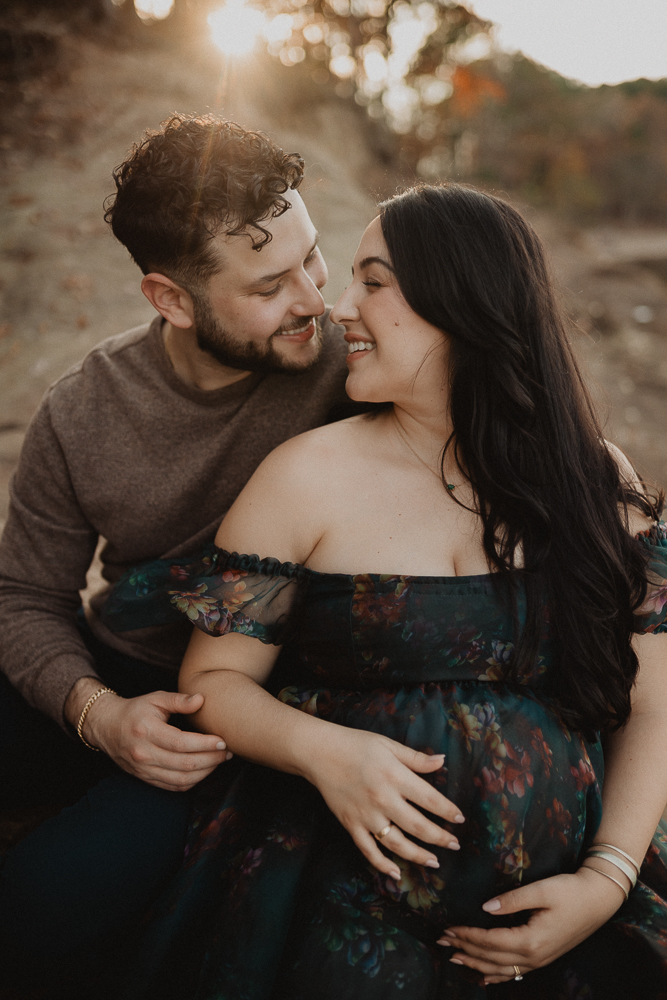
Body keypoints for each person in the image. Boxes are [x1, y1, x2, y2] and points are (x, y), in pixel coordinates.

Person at [102, 182, 667, 999]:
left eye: (372, 281)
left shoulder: (591, 478)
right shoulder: (305, 477)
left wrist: (605, 881)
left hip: (570, 892)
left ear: (463, 304)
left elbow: (650, 702)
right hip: (343, 894)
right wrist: (325, 752)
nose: (339, 308)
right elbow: (214, 682)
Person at [0, 113, 357, 988]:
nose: (315, 300)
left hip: (241, 718)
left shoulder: (354, 373)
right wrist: (96, 714)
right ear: (171, 300)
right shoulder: (84, 408)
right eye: (269, 285)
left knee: (38, 908)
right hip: (107, 670)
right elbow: (25, 597)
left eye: (313, 258)